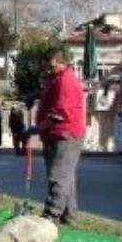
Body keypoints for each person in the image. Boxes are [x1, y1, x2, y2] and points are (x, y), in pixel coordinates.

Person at [34, 46, 86, 226]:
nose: (48, 69)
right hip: (55, 134)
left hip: (66, 134)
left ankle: (51, 214)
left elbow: (60, 112)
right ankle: (69, 215)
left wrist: (39, 127)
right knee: (67, 176)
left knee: (58, 175)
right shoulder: (56, 79)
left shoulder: (66, 80)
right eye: (47, 66)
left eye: (52, 66)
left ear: (63, 63)